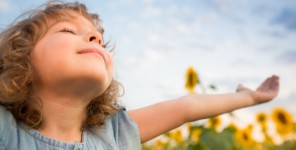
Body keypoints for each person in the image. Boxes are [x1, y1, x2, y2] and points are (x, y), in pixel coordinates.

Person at [0, 1, 280, 150]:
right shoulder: (8, 132)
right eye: (68, 31)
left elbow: (186, 108)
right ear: (20, 58)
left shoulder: (114, 134)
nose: (94, 38)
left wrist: (248, 97)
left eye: (96, 39)